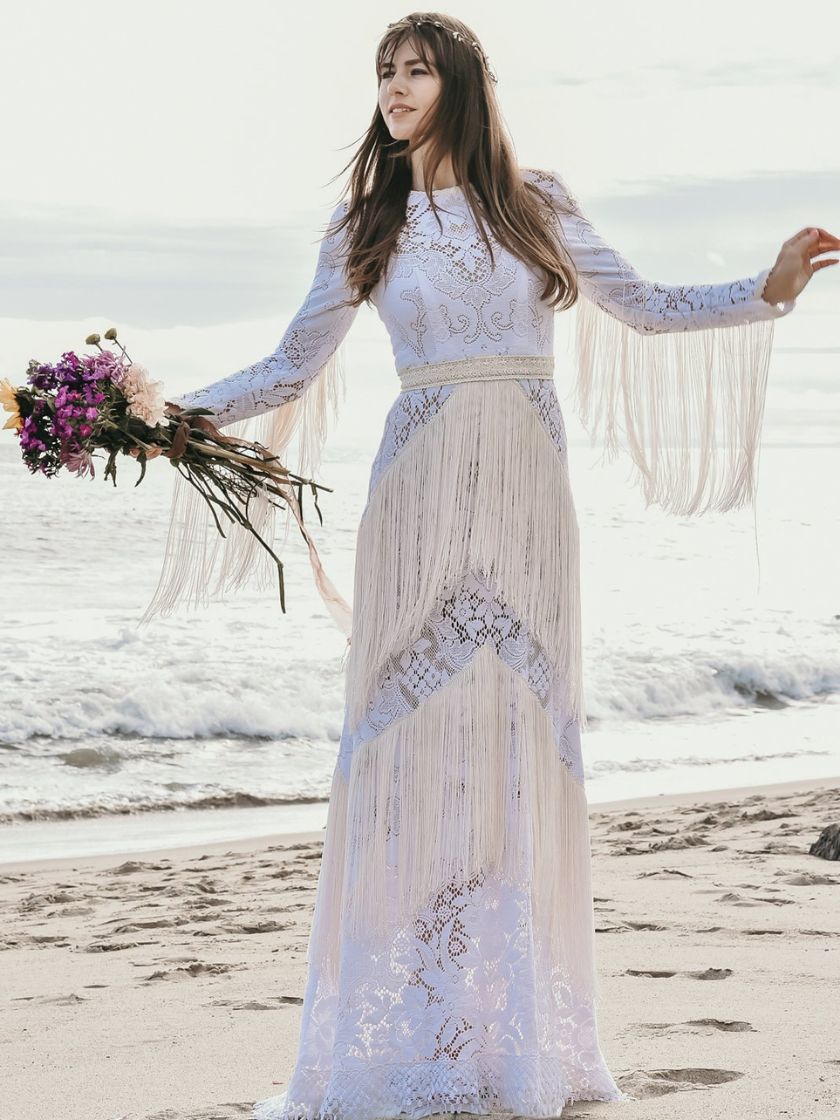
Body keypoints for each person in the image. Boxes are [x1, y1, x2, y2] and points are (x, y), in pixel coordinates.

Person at [158, 13, 838, 1120]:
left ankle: (512, 1032)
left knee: (519, 739)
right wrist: (166, 421)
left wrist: (768, 291)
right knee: (399, 745)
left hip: (526, 502)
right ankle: (407, 1023)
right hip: (419, 493)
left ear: (462, 83)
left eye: (417, 68)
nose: (395, 85)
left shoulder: (540, 202)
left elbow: (647, 307)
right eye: (384, 70)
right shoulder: (365, 221)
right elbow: (292, 363)